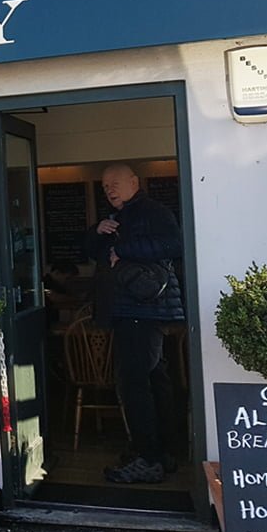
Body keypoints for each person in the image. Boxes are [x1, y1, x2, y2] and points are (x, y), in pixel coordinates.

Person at [85, 163, 183, 484]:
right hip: (134, 311)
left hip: (143, 309)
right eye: (104, 186)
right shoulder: (115, 219)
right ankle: (162, 452)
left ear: (134, 182)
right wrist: (95, 233)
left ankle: (148, 457)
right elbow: (92, 253)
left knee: (134, 384)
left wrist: (121, 250)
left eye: (114, 183)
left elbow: (173, 245)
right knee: (155, 381)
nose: (109, 189)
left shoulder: (153, 211)